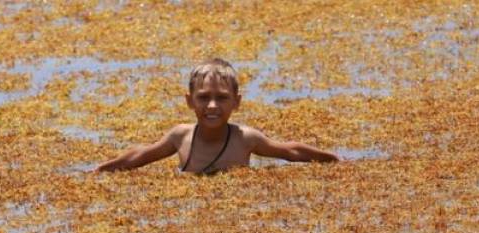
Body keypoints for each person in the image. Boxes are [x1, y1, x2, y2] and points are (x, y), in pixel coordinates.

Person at [95, 58, 339, 174]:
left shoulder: (246, 138)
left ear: (237, 102)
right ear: (190, 101)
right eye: (203, 97)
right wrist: (99, 171)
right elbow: (139, 156)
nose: (212, 106)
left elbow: (290, 152)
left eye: (222, 98)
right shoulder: (180, 136)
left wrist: (337, 162)